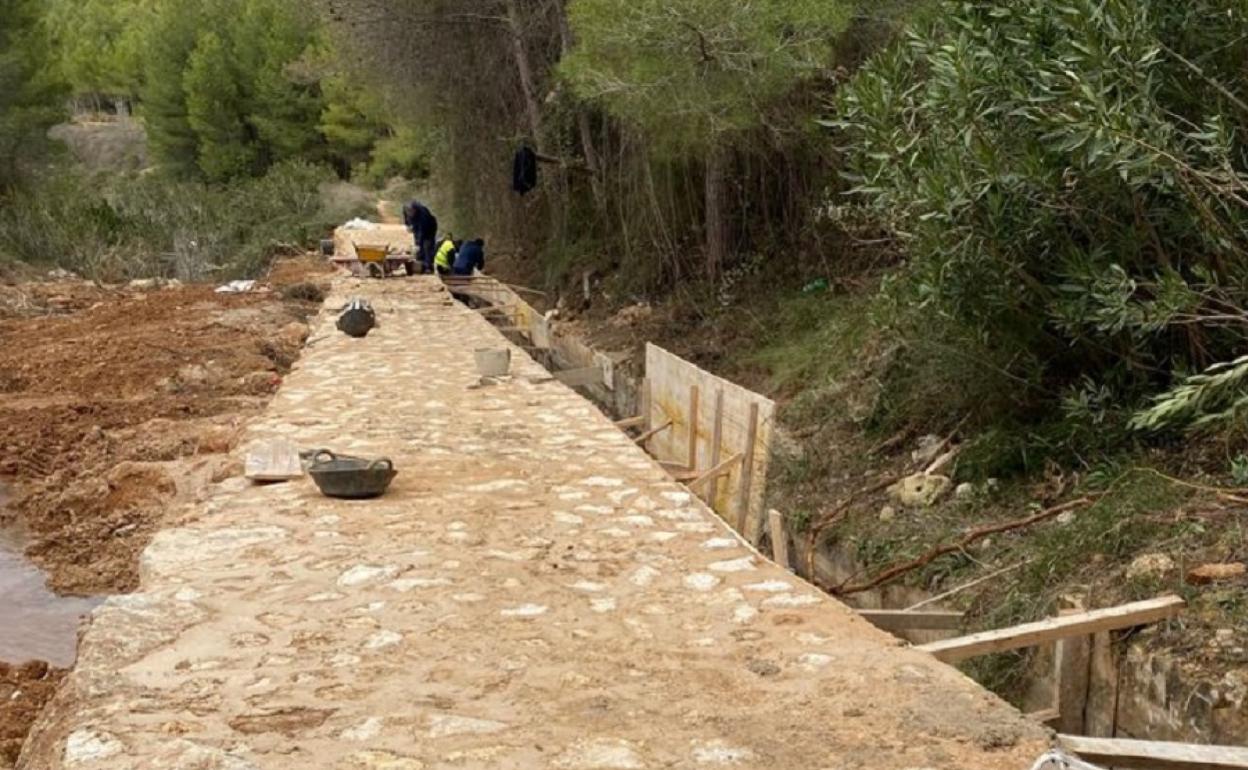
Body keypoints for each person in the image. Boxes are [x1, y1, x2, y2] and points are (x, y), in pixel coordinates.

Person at [402, 200, 438, 273]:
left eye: (411, 212)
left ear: (415, 210)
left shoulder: (423, 213)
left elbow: (422, 231)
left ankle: (429, 267)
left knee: (427, 245)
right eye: (408, 212)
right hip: (417, 225)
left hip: (429, 227)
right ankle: (420, 264)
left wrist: (418, 243)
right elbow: (406, 218)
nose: (410, 214)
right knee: (418, 246)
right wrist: (408, 225)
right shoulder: (405, 209)